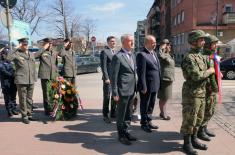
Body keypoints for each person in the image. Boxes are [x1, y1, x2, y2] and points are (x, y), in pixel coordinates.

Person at [181, 30, 215, 155]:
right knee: (190, 119)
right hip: (192, 93)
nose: (204, 42)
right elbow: (196, 76)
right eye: (201, 39)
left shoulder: (200, 56)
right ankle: (187, 143)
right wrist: (210, 71)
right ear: (194, 41)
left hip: (201, 92)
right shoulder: (189, 57)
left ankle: (194, 139)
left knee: (199, 118)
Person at [112, 34, 137, 145]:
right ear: (123, 43)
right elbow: (114, 76)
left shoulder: (133, 55)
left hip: (132, 90)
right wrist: (115, 92)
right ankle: (121, 136)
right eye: (130, 41)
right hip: (122, 91)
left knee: (128, 114)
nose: (132, 42)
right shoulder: (118, 56)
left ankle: (126, 132)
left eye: (133, 40)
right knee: (121, 115)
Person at [6, 38, 38, 124]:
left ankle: (29, 114)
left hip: (30, 79)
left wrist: (35, 77)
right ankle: (24, 116)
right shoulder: (16, 53)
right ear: (20, 44)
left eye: (27, 44)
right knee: (23, 98)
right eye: (24, 44)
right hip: (21, 80)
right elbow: (8, 58)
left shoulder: (31, 54)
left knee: (29, 99)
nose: (26, 45)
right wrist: (16, 47)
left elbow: (33, 66)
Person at [136, 35, 161, 133]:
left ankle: (149, 121)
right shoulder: (141, 55)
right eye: (152, 42)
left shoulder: (154, 53)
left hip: (155, 84)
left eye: (155, 42)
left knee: (151, 104)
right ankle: (144, 123)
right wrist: (143, 86)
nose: (155, 44)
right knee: (144, 105)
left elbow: (158, 69)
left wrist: (160, 83)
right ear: (146, 43)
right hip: (147, 86)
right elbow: (141, 73)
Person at [198, 34, 220, 141]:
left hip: (213, 87)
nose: (216, 45)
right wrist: (214, 87)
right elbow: (207, 74)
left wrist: (218, 74)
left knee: (211, 109)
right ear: (208, 45)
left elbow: (214, 71)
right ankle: (200, 131)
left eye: (216, 44)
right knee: (206, 110)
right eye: (214, 44)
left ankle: (204, 127)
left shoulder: (213, 55)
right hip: (208, 88)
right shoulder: (205, 56)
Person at [36, 38, 58, 116]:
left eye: (51, 44)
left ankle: (53, 108)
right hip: (45, 76)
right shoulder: (42, 52)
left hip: (53, 76)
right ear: (45, 44)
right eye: (49, 43)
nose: (50, 45)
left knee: (53, 93)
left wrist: (56, 74)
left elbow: (56, 64)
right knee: (46, 93)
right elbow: (35, 56)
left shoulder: (54, 52)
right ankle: (47, 109)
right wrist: (43, 48)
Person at [157, 39, 175, 120]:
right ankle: (163, 113)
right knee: (163, 97)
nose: (170, 46)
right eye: (168, 45)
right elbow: (159, 55)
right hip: (164, 79)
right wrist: (161, 48)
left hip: (169, 79)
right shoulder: (162, 55)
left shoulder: (168, 55)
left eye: (170, 45)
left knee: (166, 97)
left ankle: (163, 112)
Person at [100, 36, 117, 123]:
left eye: (114, 41)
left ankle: (113, 113)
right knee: (107, 97)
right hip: (108, 79)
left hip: (115, 79)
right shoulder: (104, 52)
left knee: (114, 96)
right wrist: (106, 78)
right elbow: (103, 66)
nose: (113, 43)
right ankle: (105, 115)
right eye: (111, 41)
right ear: (108, 42)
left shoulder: (116, 52)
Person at [0, 46, 19, 117]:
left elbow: (15, 69)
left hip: (13, 82)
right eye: (6, 53)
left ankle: (14, 109)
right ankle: (9, 110)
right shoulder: (1, 63)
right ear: (3, 54)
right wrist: (13, 75)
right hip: (6, 83)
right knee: (8, 98)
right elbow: (4, 71)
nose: (7, 55)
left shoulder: (11, 62)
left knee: (13, 97)